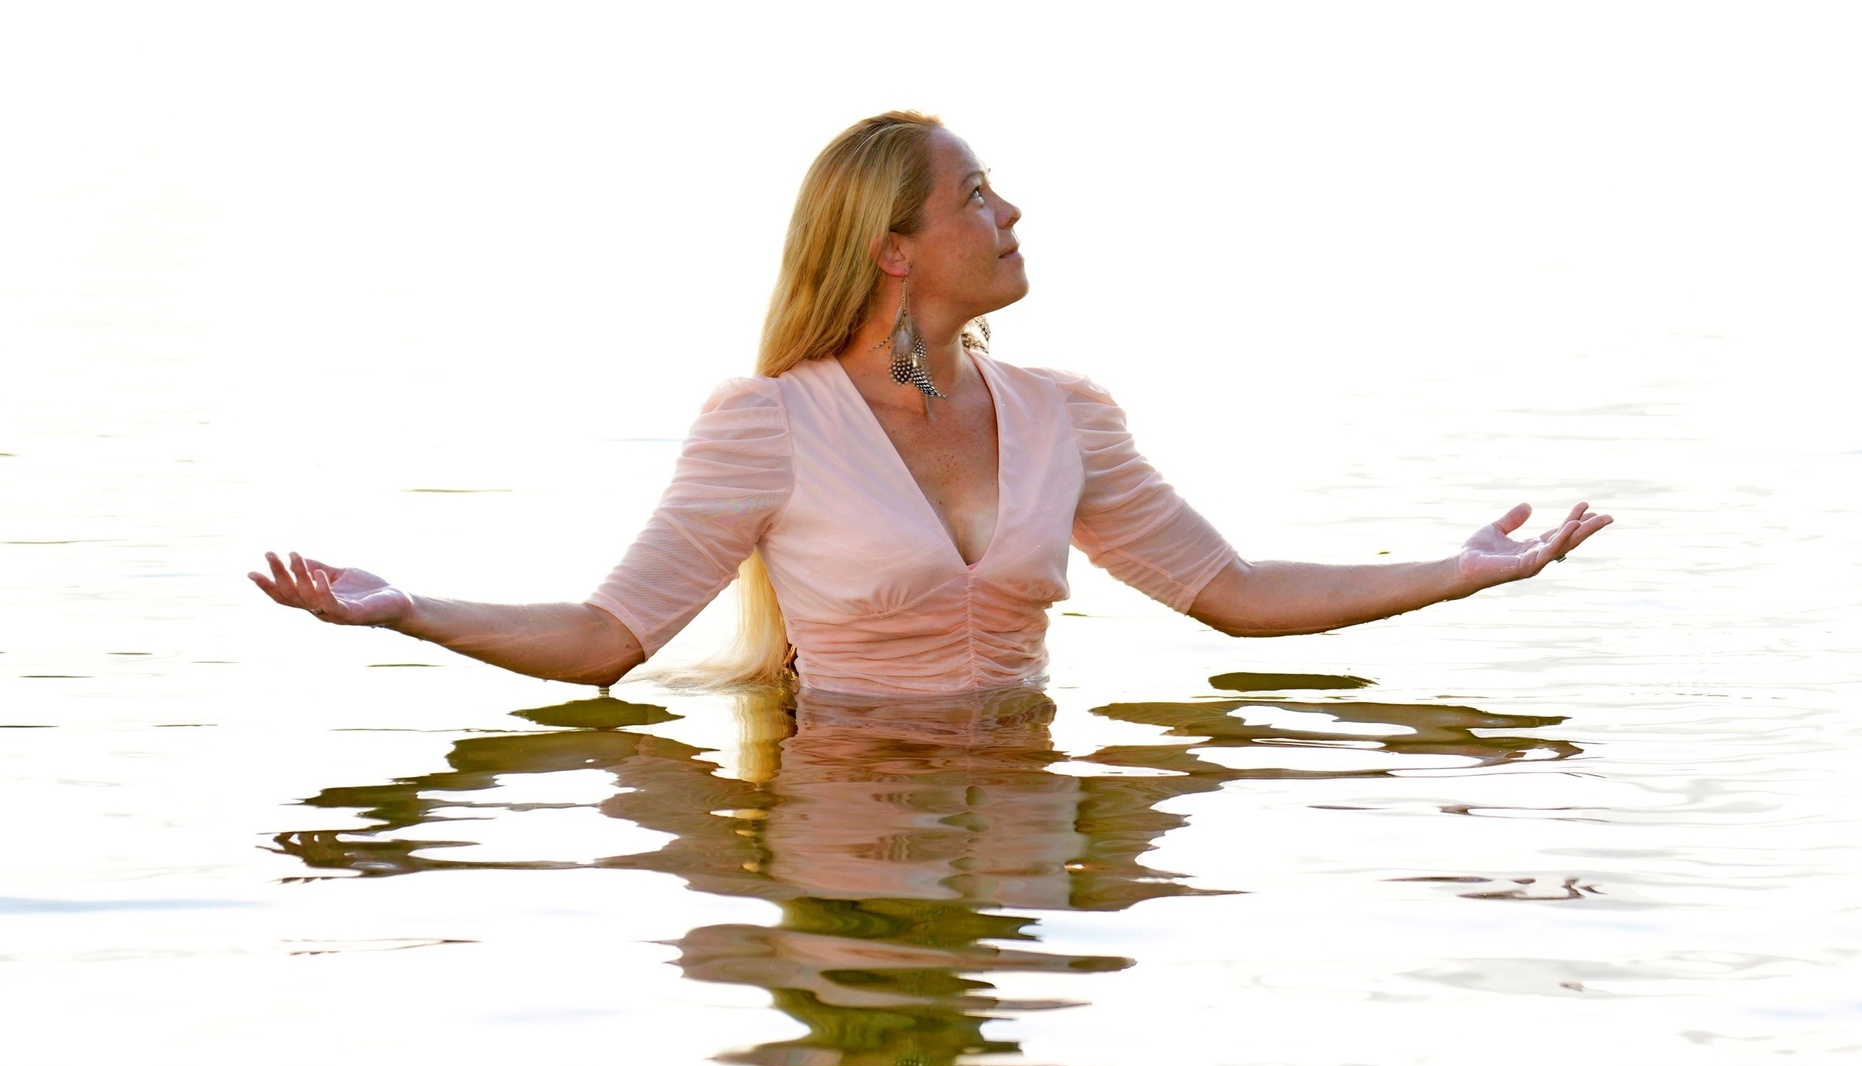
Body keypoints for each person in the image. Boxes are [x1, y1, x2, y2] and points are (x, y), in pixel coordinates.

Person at [249, 110, 1613, 695]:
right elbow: (610, 638)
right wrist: (408, 609)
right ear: (892, 249)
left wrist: (1460, 572)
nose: (1011, 212)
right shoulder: (768, 422)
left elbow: (1235, 594)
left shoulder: (1067, 417)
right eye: (977, 196)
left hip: (1027, 810)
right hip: (841, 818)